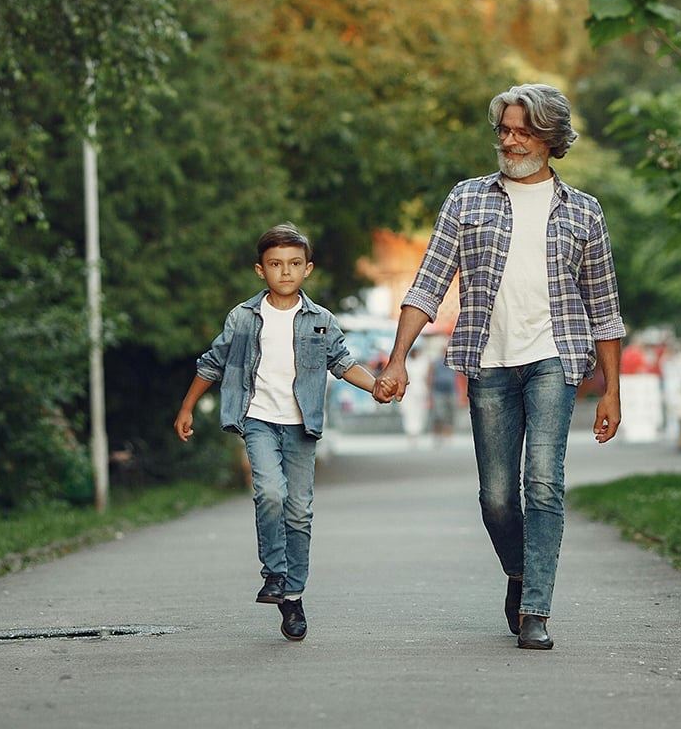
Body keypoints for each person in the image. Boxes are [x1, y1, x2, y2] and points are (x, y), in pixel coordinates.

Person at [373, 84, 625, 651]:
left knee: (544, 484)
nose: (508, 141)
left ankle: (536, 608)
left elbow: (605, 308)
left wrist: (611, 391)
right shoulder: (466, 200)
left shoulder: (584, 212)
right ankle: (519, 570)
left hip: (555, 360)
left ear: (552, 139)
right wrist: (398, 360)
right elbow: (428, 284)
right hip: (487, 362)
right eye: (503, 130)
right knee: (496, 497)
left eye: (522, 131)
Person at [175, 223, 379, 642]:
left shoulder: (320, 320)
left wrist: (377, 385)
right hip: (258, 420)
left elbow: (342, 362)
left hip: (301, 425)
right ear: (260, 270)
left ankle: (294, 596)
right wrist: (187, 406)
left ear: (307, 269)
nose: (285, 272)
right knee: (270, 492)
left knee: (299, 511)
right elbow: (212, 362)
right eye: (275, 264)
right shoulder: (243, 317)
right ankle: (274, 575)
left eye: (293, 264)